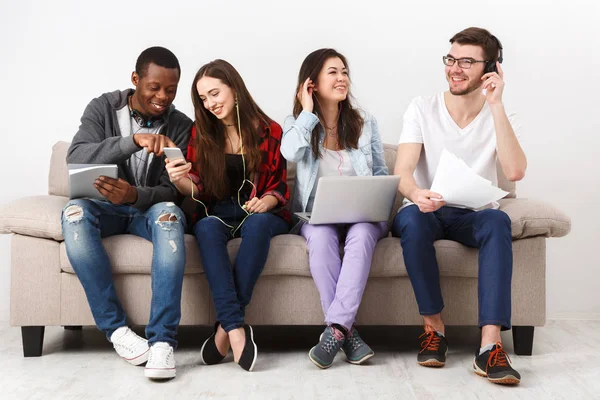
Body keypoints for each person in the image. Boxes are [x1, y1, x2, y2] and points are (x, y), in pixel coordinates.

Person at [392, 27, 526, 384]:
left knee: (498, 223)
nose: (455, 68)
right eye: (451, 59)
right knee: (412, 221)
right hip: (428, 210)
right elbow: (402, 172)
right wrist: (417, 193)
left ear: (491, 68)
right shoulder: (422, 108)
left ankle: (489, 348)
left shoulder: (501, 117)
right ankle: (434, 330)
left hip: (475, 214)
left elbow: (515, 171)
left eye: (466, 61)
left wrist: (495, 105)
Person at [61, 47, 193, 380]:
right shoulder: (103, 107)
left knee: (170, 216)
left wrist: (135, 195)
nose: (163, 97)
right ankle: (117, 331)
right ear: (135, 80)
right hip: (102, 208)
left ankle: (162, 341)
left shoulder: (180, 126)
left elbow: (171, 191)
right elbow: (77, 155)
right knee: (73, 213)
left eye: (171, 89)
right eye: (154, 87)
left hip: (148, 212)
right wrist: (133, 140)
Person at [165, 59, 290, 372]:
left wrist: (268, 201)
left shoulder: (269, 130)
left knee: (259, 224)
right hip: (219, 212)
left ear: (234, 88)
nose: (210, 104)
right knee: (206, 228)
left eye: (215, 93)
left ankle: (224, 330)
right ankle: (236, 329)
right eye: (203, 99)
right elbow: (198, 190)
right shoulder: (202, 133)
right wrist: (178, 179)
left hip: (259, 211)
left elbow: (279, 186)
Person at [281, 48, 389, 369]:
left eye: (344, 71)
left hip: (364, 215)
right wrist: (307, 111)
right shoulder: (298, 124)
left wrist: (381, 203)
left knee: (361, 233)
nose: (342, 78)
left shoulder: (365, 122)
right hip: (318, 215)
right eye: (333, 72)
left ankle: (335, 330)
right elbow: (290, 152)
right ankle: (346, 332)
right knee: (321, 237)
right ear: (311, 83)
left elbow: (381, 173)